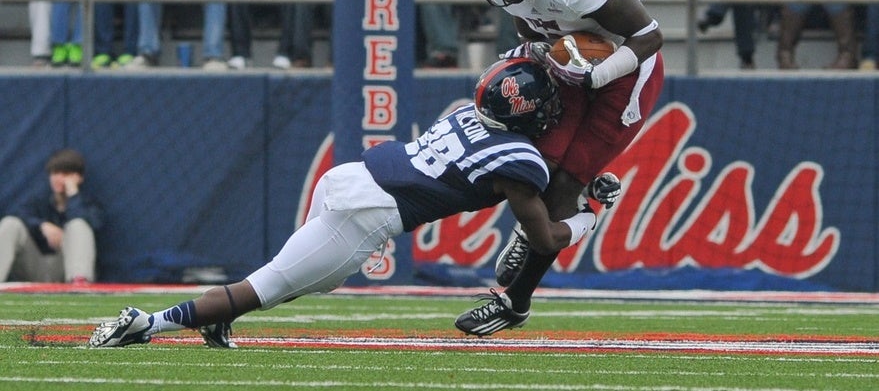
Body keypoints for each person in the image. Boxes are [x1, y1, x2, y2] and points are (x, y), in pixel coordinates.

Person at [87, 58, 620, 348]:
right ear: (525, 115)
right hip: (367, 213)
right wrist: (589, 215)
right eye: (545, 104)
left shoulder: (468, 115)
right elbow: (545, 238)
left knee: (301, 279)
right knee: (268, 286)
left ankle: (217, 320)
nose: (553, 111)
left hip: (349, 175)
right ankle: (144, 324)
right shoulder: (518, 161)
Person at [458, 0, 664, 336]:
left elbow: (650, 36)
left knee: (564, 187)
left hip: (624, 70)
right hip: (570, 63)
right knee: (531, 165)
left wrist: (596, 74)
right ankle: (544, 222)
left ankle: (515, 303)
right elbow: (535, 31)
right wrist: (533, 57)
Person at [0, 149, 106, 283]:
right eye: (55, 173)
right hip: (36, 267)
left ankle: (79, 284)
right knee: (10, 223)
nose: (59, 178)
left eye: (65, 174)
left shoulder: (90, 205)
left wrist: (73, 194)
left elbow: (96, 224)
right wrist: (42, 226)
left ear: (78, 177)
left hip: (67, 269)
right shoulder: (39, 202)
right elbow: (18, 214)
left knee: (78, 225)